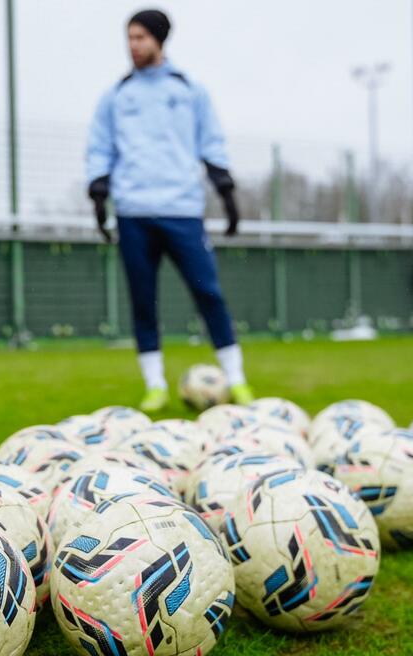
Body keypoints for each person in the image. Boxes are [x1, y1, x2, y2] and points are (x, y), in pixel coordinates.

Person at [86, 9, 254, 413]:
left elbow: (210, 141)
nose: (133, 45)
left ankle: (237, 380)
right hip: (134, 211)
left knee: (207, 292)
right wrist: (98, 191)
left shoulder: (189, 90)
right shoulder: (116, 95)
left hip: (182, 209)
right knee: (144, 302)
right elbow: (100, 147)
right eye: (129, 37)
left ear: (159, 40)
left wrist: (226, 191)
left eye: (141, 37)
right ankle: (155, 385)